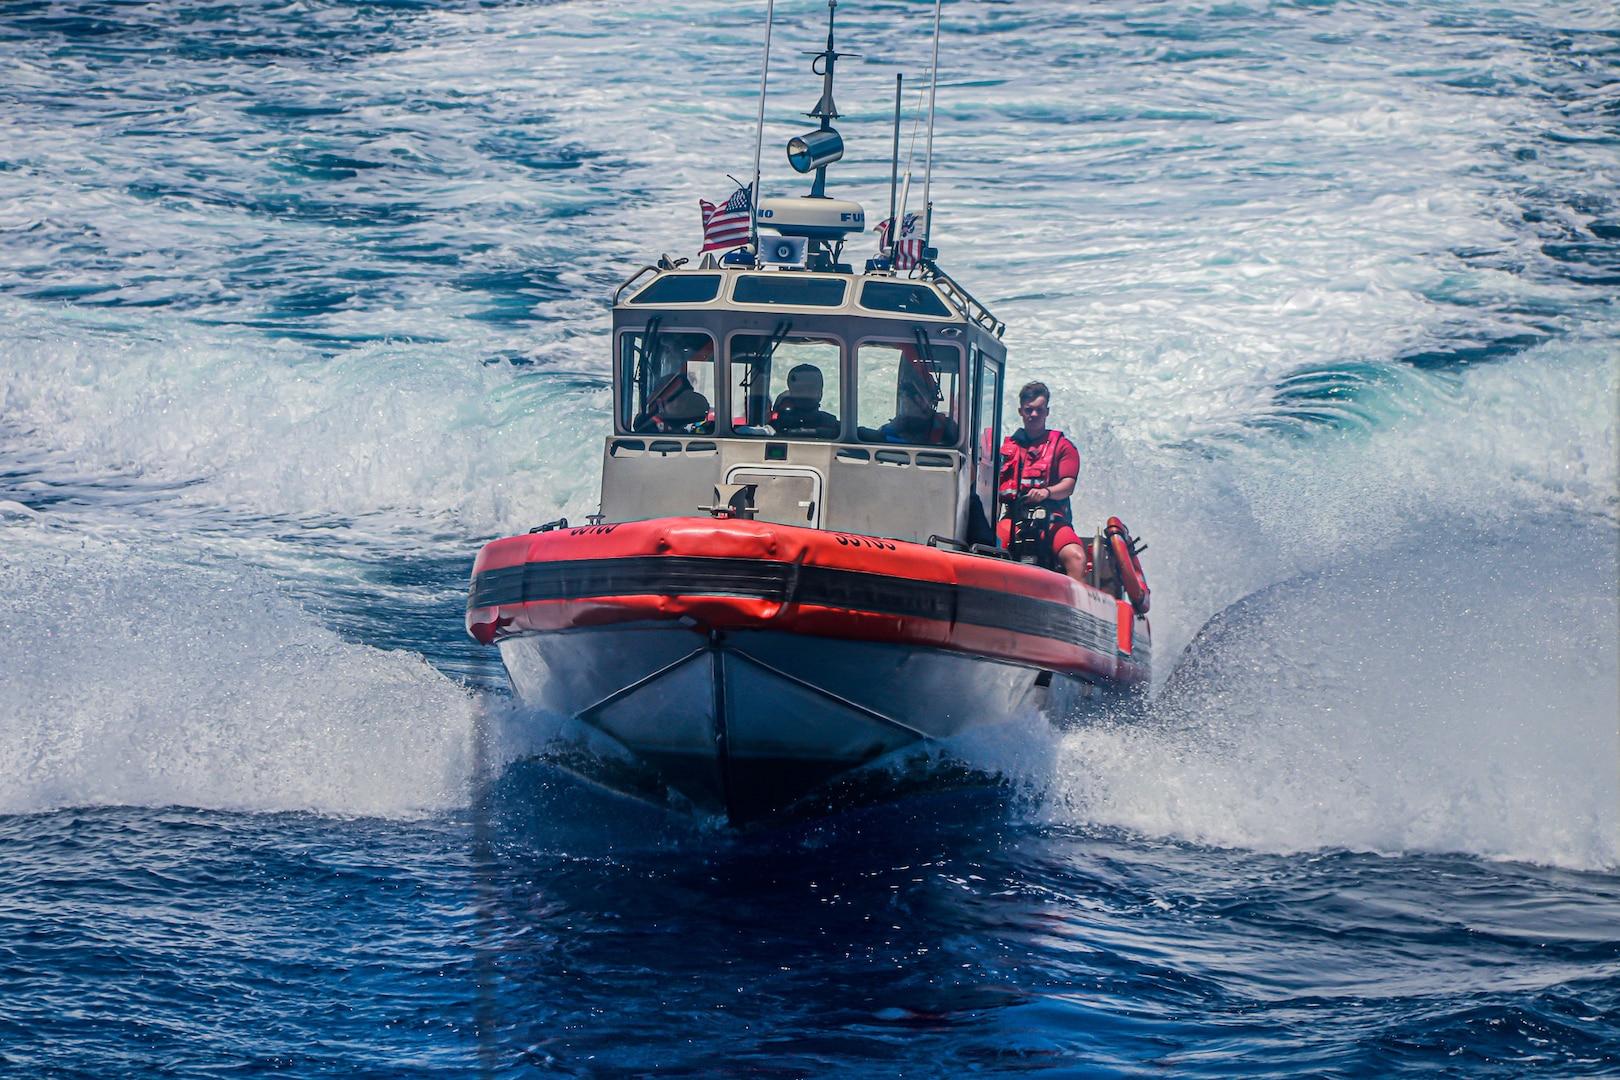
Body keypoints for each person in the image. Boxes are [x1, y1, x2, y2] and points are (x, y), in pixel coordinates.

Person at [997, 380, 1086, 582]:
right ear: (1021, 411)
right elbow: (996, 488)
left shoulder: (1064, 447)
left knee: (1076, 558)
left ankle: (1074, 608)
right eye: (1029, 410)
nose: (1034, 415)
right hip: (1014, 519)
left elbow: (1068, 485)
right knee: (990, 552)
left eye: (1039, 410)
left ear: (1047, 411)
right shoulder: (1007, 448)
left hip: (1052, 518)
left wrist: (1047, 492)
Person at [875, 355, 959, 445]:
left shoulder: (945, 426)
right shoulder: (899, 424)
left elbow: (947, 451)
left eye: (920, 394)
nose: (906, 401)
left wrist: (912, 441)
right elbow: (878, 439)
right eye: (906, 394)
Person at [769, 363, 839, 437]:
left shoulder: (835, 428)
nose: (805, 393)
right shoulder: (773, 428)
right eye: (800, 389)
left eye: (810, 388)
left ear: (820, 392)